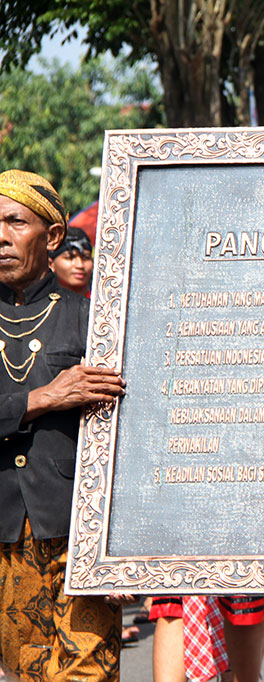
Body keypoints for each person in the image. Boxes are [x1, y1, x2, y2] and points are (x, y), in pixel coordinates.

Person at [0, 169, 129, 680]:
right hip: (5, 538)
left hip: (81, 536)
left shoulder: (94, 319)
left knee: (87, 673)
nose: (1, 237)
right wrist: (43, 398)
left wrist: (126, 546)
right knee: (26, 671)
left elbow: (130, 433)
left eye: (15, 222)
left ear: (52, 235)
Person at [48, 226, 94, 297]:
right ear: (51, 264)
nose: (80, 265)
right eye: (70, 257)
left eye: (86, 258)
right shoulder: (41, 301)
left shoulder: (104, 300)